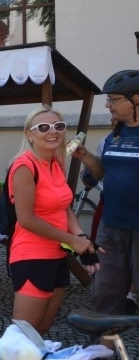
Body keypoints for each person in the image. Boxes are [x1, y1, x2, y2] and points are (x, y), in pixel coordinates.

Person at [8, 106, 95, 336]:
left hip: (57, 256)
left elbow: (64, 207)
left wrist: (81, 237)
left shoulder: (55, 163)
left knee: (43, 329)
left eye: (59, 126)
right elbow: (26, 219)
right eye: (43, 127)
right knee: (23, 338)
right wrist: (71, 239)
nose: (53, 131)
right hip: (32, 255)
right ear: (30, 134)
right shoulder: (24, 166)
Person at [74, 70, 139, 315]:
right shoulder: (115, 134)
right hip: (111, 226)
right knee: (106, 292)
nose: (108, 105)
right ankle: (105, 349)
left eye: (114, 99)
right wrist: (86, 157)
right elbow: (102, 173)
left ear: (136, 99)